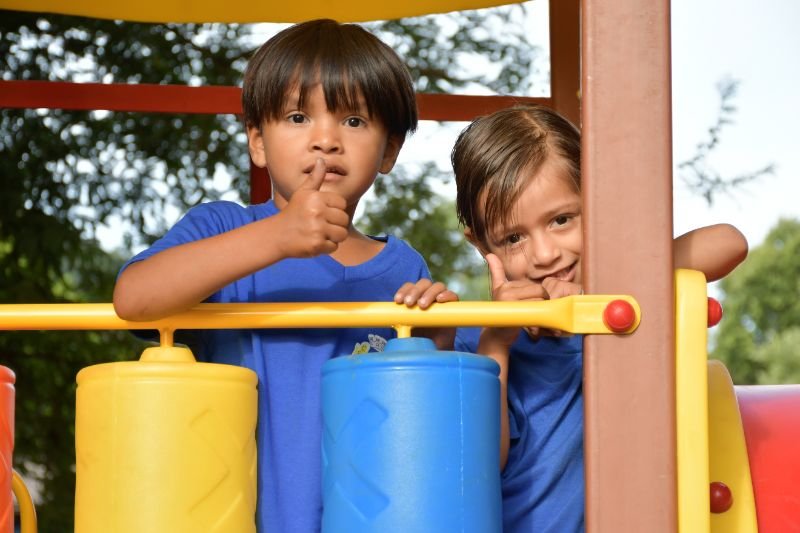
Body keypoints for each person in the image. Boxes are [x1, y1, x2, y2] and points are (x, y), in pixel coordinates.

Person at [113, 19, 456, 532]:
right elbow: (133, 297)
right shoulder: (223, 229)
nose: (325, 141)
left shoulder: (404, 268)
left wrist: (438, 343)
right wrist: (278, 236)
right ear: (257, 141)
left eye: (355, 122)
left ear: (389, 151)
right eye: (298, 116)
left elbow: (426, 430)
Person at [399, 103, 748, 532]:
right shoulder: (478, 342)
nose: (546, 254)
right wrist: (498, 343)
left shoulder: (619, 307)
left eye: (562, 219)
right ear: (480, 244)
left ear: (596, 204)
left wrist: (604, 292)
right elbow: (479, 466)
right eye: (513, 238)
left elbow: (728, 242)